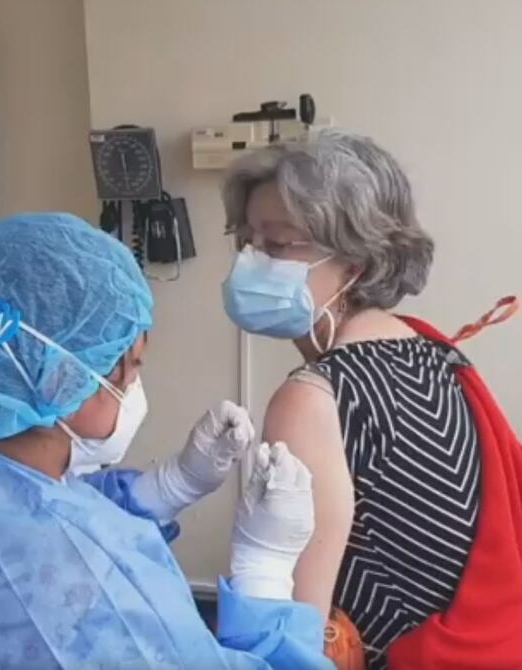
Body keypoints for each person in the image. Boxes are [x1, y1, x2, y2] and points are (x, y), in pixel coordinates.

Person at [0, 213, 333, 670]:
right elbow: (50, 546)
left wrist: (168, 488)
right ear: (68, 377)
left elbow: (18, 509)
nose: (132, 385)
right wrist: (265, 571)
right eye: (131, 367)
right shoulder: (82, 586)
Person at [221, 130, 482, 669]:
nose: (251, 262)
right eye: (246, 240)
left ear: (355, 263)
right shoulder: (433, 353)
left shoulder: (312, 399)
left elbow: (300, 640)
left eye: (277, 245)